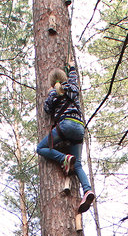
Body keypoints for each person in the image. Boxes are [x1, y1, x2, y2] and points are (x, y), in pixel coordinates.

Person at [36, 64, 96, 213]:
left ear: (51, 83)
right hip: (80, 128)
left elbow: (47, 109)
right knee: (79, 165)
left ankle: (64, 158)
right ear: (65, 79)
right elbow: (74, 80)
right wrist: (72, 69)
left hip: (65, 127)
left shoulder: (53, 94)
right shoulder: (73, 87)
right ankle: (87, 190)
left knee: (40, 148)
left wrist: (51, 92)